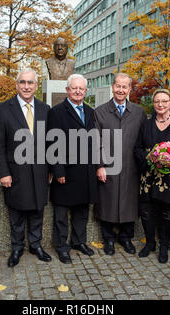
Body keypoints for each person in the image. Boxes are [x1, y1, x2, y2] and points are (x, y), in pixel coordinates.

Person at [0, 68, 52, 267]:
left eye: (30, 83)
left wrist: (51, 168)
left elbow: (51, 142)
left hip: (40, 171)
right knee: (16, 212)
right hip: (15, 172)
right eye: (22, 83)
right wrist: (3, 172)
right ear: (17, 85)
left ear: (36, 85)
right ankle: (17, 248)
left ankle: (36, 245)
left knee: (37, 210)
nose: (26, 87)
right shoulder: (4, 109)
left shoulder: (45, 109)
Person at [134, 89, 170, 263]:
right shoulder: (146, 124)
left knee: (167, 213)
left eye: (164, 101)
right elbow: (137, 148)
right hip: (149, 176)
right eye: (157, 101)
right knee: (146, 211)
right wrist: (149, 158)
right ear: (153, 103)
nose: (160, 104)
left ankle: (164, 247)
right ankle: (150, 243)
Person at [94, 73, 147, 256]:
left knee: (130, 202)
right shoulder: (100, 111)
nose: (121, 90)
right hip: (108, 166)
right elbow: (96, 141)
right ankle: (108, 238)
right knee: (107, 201)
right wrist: (99, 165)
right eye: (118, 86)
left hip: (132, 167)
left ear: (130, 89)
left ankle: (126, 237)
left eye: (125, 87)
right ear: (112, 87)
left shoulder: (139, 112)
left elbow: (144, 140)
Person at [47, 74, 97, 264]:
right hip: (66, 171)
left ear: (85, 91)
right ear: (67, 90)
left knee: (82, 211)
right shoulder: (57, 112)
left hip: (85, 171)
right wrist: (58, 170)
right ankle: (62, 247)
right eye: (74, 88)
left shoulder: (90, 112)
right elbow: (52, 143)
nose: (78, 91)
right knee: (61, 213)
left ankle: (79, 242)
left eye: (81, 88)